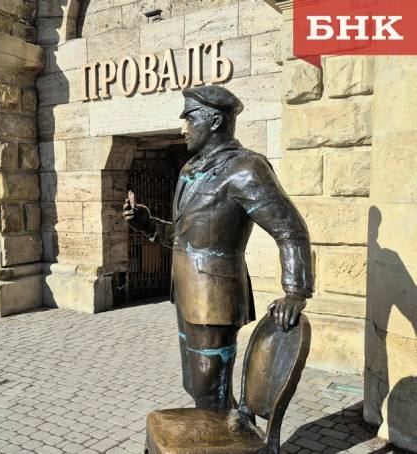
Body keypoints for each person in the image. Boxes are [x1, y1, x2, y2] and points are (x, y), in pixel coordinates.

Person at [123, 85, 314, 409]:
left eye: (189, 119)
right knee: (195, 385)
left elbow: (290, 229)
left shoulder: (246, 169)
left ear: (214, 121)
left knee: (209, 391)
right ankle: (231, 427)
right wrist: (147, 224)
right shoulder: (190, 171)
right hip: (186, 293)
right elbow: (187, 237)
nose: (183, 129)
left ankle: (230, 431)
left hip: (216, 299)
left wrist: (295, 291)